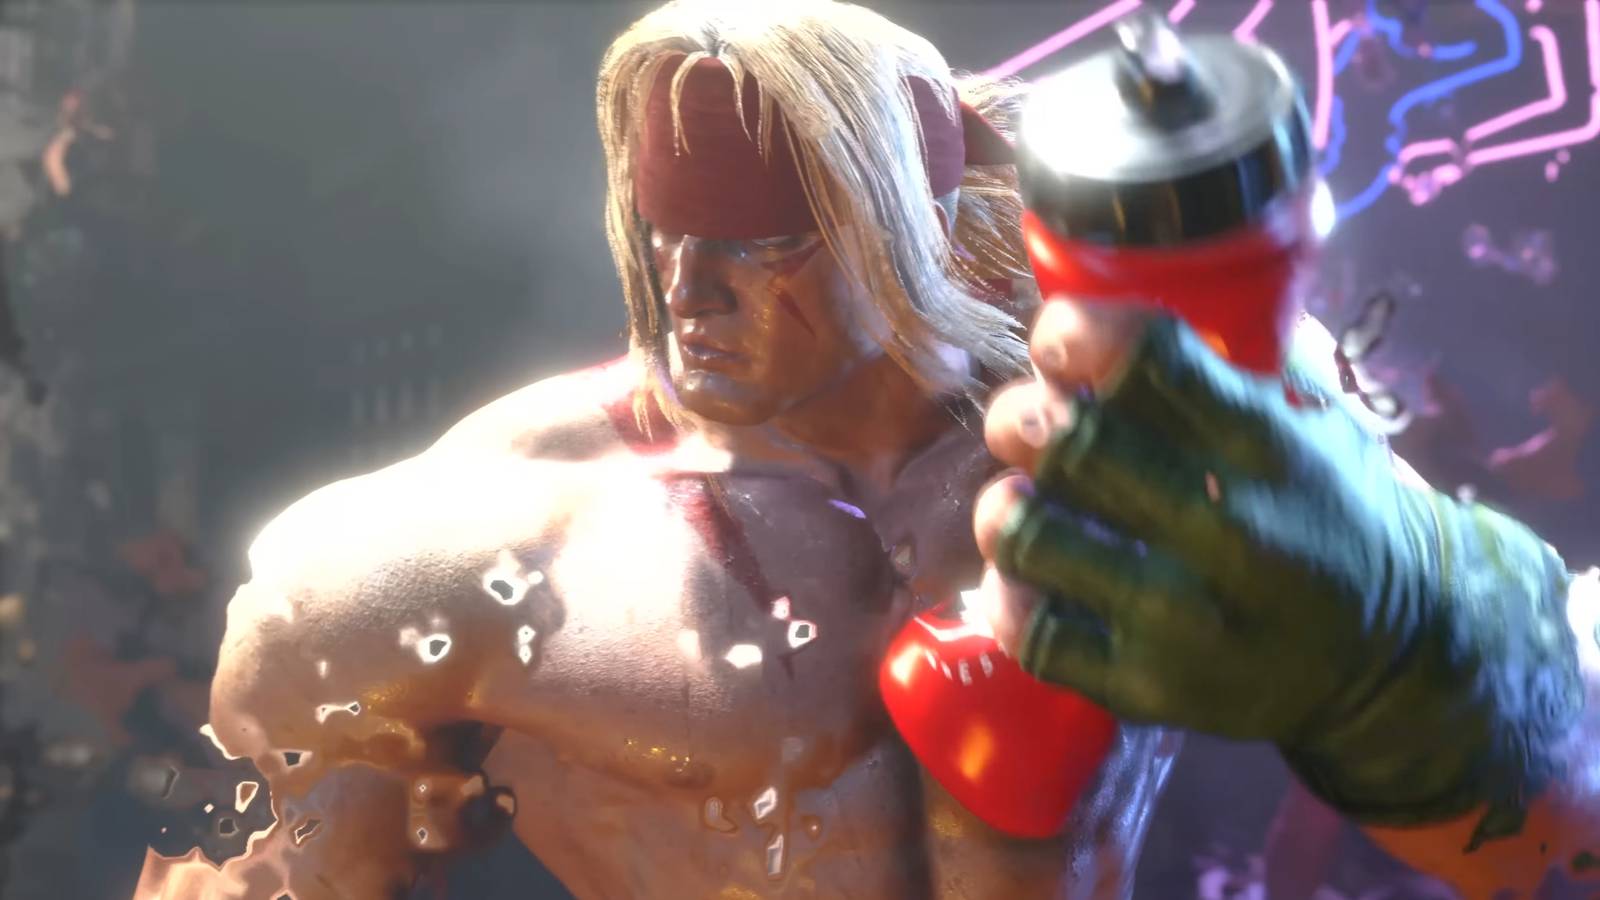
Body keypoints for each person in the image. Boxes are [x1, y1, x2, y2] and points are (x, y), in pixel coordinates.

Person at [134, 2, 1599, 898]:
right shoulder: (456, 552)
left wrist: (1420, 645)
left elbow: (1560, 809)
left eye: (758, 242)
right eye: (665, 236)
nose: (689, 290)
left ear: (895, 227)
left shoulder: (1143, 420)